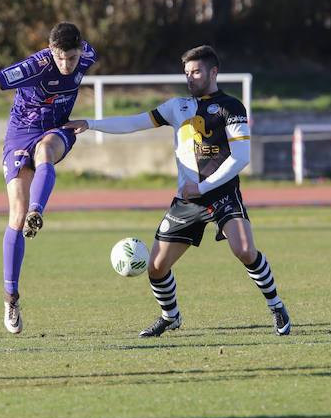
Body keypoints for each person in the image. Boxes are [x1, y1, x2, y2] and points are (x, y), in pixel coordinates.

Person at [64, 45, 291, 337]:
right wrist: (90, 123)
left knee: (245, 250)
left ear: (213, 72)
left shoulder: (231, 107)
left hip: (221, 193)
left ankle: (277, 307)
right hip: (187, 200)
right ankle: (170, 317)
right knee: (156, 267)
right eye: (187, 73)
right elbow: (134, 123)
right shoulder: (177, 107)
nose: (191, 78)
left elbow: (241, 156)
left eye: (196, 72)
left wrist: (204, 186)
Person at [0, 22, 97, 334]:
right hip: (20, 134)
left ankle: (38, 210)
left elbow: (81, 63)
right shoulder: (36, 66)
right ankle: (11, 298)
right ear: (52, 52)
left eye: (72, 59)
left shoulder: (88, 55)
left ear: (81, 52)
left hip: (55, 130)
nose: (66, 65)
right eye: (61, 58)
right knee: (15, 215)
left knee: (46, 151)